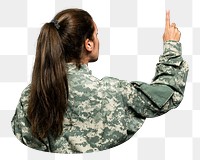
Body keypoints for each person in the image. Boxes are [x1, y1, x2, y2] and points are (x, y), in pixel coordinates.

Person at [11, 8, 189, 153]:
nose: (98, 39)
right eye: (97, 34)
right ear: (88, 44)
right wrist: (171, 46)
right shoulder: (114, 92)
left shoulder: (30, 97)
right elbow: (167, 94)